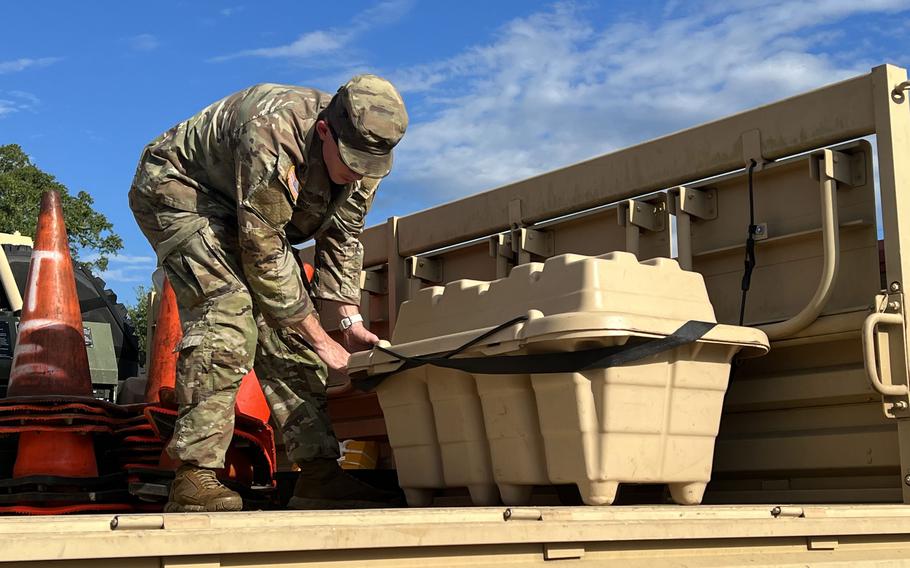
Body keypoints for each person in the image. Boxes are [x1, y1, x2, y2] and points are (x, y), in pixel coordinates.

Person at [129, 74, 408, 512]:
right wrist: (323, 342)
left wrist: (347, 321)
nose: (358, 173)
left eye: (368, 166)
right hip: (182, 192)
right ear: (324, 131)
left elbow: (343, 235)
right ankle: (195, 476)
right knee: (229, 312)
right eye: (351, 160)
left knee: (291, 331)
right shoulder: (274, 129)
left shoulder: (367, 157)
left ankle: (318, 474)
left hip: (251, 215)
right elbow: (262, 248)